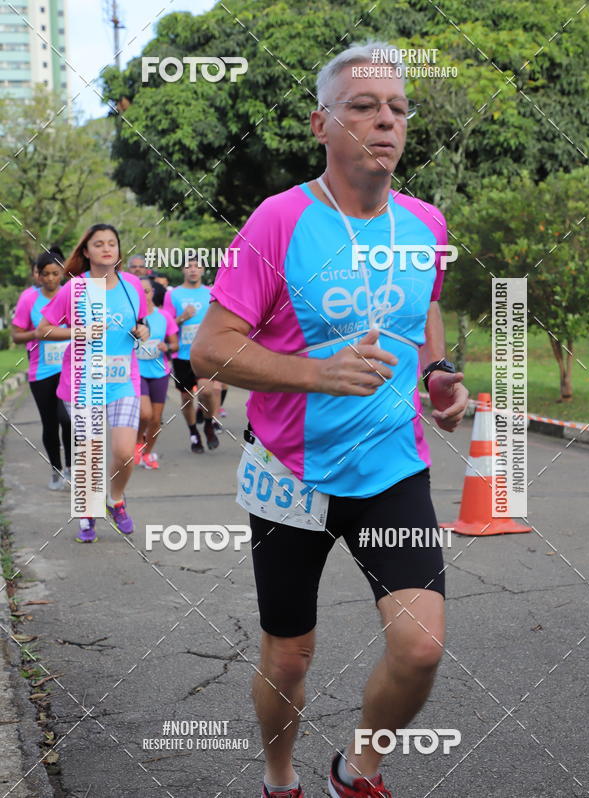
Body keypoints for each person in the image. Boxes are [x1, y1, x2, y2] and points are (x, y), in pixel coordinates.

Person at [191, 41, 470, 798]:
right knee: (289, 657)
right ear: (322, 123)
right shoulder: (280, 222)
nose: (385, 120)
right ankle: (280, 778)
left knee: (419, 650)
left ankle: (358, 769)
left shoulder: (424, 224)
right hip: (292, 472)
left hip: (392, 470)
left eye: (397, 108)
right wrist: (317, 374)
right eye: (362, 106)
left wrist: (439, 376)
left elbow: (425, 309)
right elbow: (208, 349)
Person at [38, 224, 149, 543]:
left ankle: (115, 499)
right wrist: (78, 332)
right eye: (98, 244)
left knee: (125, 452)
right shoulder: (74, 289)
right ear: (86, 252)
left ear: (118, 250)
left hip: (122, 381)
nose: (106, 248)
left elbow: (141, 324)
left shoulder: (132, 285)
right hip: (83, 383)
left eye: (112, 243)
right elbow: (44, 330)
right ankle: (87, 513)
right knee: (89, 453)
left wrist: (143, 332)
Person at [11, 250, 71, 490]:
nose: (50, 279)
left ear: (63, 273)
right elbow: (16, 336)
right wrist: (34, 334)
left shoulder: (71, 295)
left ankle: (70, 468)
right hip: (42, 371)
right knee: (50, 423)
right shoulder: (29, 299)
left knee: (67, 419)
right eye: (45, 274)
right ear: (39, 275)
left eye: (55, 273)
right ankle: (56, 470)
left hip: (69, 368)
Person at [163, 257, 220, 453]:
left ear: (204, 270)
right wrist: (182, 318)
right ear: (183, 270)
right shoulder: (174, 295)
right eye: (189, 266)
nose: (193, 270)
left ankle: (209, 423)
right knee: (187, 398)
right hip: (182, 356)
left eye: (197, 266)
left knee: (207, 391)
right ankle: (193, 432)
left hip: (205, 354)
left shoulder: (211, 293)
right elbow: (167, 325)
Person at [134, 277, 179, 469]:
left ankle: (148, 452)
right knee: (145, 414)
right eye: (139, 292)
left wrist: (166, 346)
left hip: (159, 371)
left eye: (147, 291)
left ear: (153, 292)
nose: (144, 295)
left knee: (155, 418)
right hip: (137, 371)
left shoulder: (164, 317)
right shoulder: (131, 317)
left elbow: (175, 343)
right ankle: (137, 442)